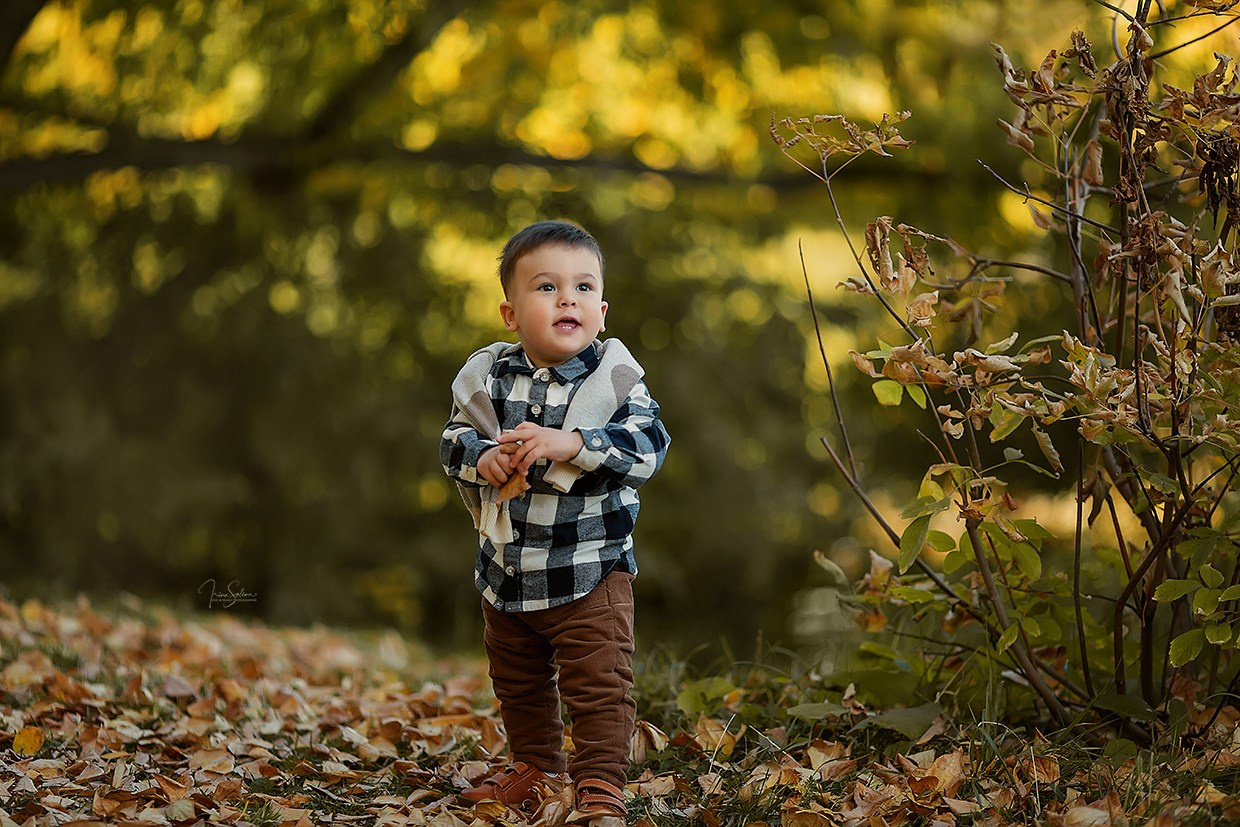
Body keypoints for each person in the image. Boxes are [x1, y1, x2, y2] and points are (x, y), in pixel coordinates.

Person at [440, 219, 670, 824]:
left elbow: (647, 447)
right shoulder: (489, 376)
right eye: (546, 287)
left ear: (601, 310)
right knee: (518, 682)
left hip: (589, 570)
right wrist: (481, 456)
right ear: (510, 313)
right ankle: (536, 766)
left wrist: (571, 443)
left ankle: (600, 783)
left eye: (583, 288)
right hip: (509, 569)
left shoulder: (616, 381)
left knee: (598, 685)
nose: (568, 298)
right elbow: (454, 437)